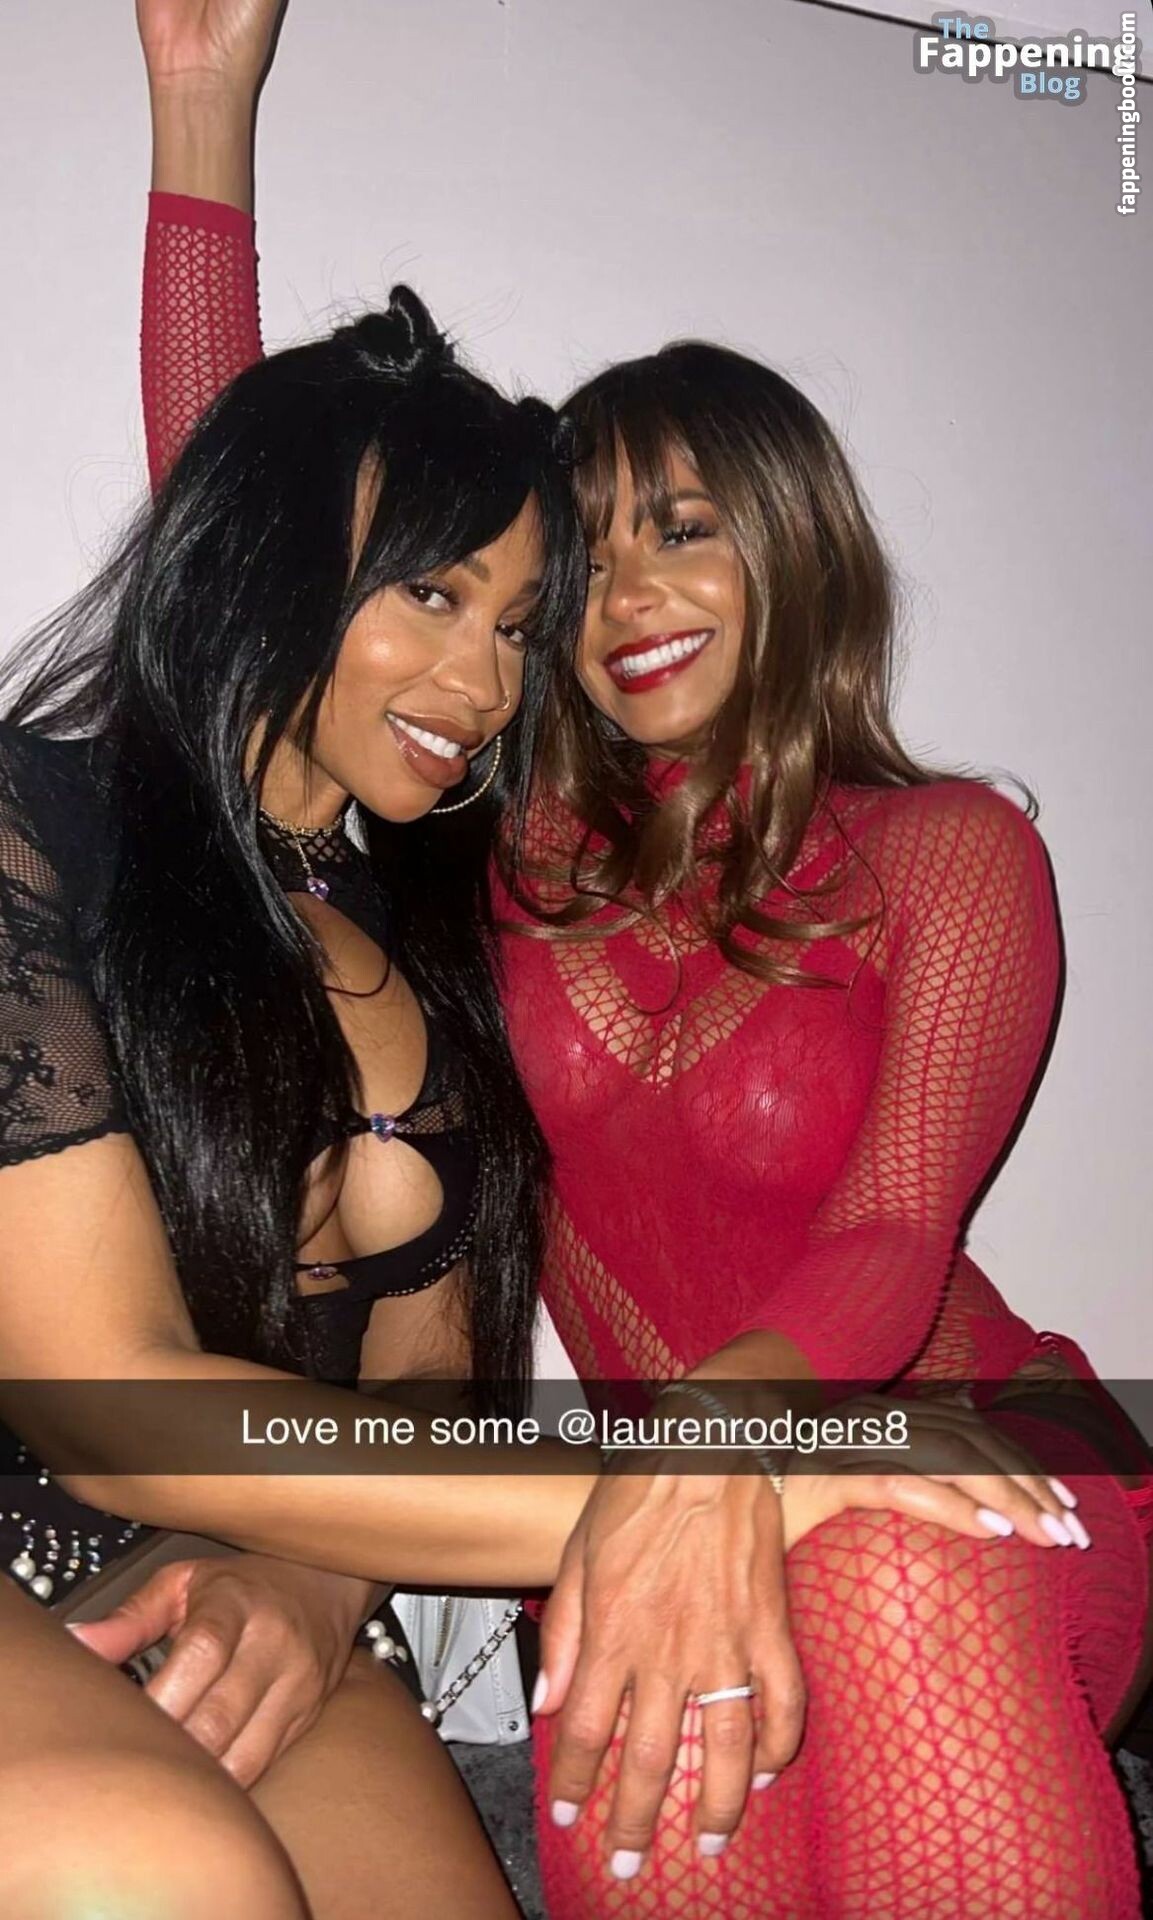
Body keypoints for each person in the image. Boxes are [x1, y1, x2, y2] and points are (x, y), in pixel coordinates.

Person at [0, 10, 1068, 1920]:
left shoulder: (878, 856)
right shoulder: (468, 873)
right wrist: (201, 113)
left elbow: (879, 1240)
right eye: (547, 573)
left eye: (676, 535)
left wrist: (364, 1557)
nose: (542, 641)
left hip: (868, 1451)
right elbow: (271, 526)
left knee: (881, 1592)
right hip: (485, 1508)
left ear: (793, 546)